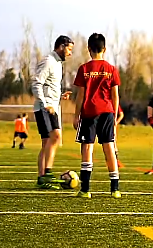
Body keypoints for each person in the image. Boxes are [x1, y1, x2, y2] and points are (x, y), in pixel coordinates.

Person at [72, 33, 121, 199]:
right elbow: (115, 95)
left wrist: (75, 115)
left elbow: (80, 95)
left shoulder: (84, 69)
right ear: (104, 49)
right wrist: (114, 115)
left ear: (89, 49)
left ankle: (85, 189)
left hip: (89, 113)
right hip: (107, 112)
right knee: (109, 148)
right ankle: (115, 189)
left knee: (87, 148)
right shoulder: (111, 69)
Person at [31, 35, 74, 189]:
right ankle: (47, 173)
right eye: (69, 49)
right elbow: (36, 83)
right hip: (45, 108)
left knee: (46, 143)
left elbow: (48, 87)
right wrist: (44, 104)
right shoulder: (48, 61)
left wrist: (60, 97)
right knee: (55, 136)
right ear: (61, 46)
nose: (70, 53)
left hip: (52, 106)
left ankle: (42, 178)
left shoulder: (58, 64)